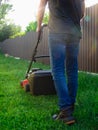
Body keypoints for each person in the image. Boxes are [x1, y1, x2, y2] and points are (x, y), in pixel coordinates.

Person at [36, 0, 85, 125]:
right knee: (72, 70)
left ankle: (66, 111)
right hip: (74, 31)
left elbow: (42, 5)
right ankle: (71, 106)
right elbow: (82, 13)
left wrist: (39, 25)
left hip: (57, 30)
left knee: (58, 70)